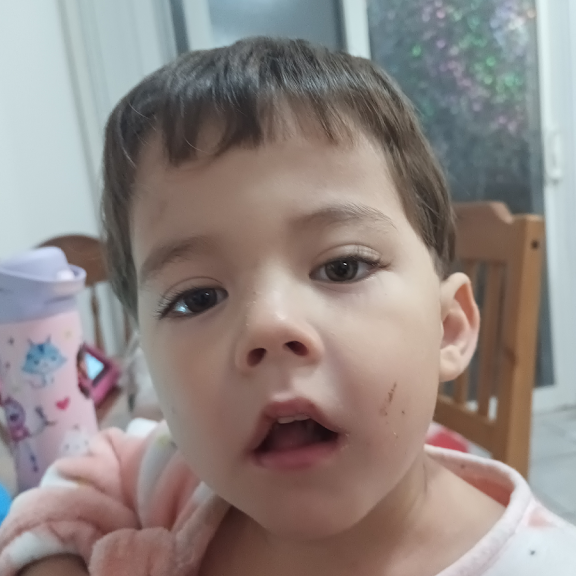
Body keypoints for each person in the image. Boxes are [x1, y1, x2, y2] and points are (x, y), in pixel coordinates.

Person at [1, 37, 575, 576]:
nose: (268, 324)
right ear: (147, 363)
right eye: (197, 298)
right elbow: (83, 477)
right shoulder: (171, 473)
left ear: (447, 328)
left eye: (342, 267)